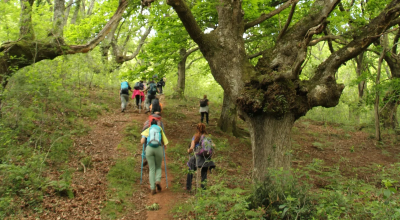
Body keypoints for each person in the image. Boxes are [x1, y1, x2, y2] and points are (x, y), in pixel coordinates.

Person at [141, 119, 169, 195]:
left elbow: (142, 141)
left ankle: (152, 188)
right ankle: (157, 181)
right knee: (158, 167)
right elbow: (165, 143)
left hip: (149, 149)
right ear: (157, 124)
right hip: (158, 149)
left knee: (152, 169)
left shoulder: (148, 129)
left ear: (150, 124)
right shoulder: (160, 129)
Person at [186, 123, 216, 191]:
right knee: (204, 173)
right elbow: (213, 145)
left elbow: (192, 148)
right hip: (206, 158)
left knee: (190, 169)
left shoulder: (195, 136)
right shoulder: (208, 137)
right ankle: (203, 189)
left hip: (198, 157)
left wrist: (189, 151)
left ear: (197, 129)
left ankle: (188, 187)